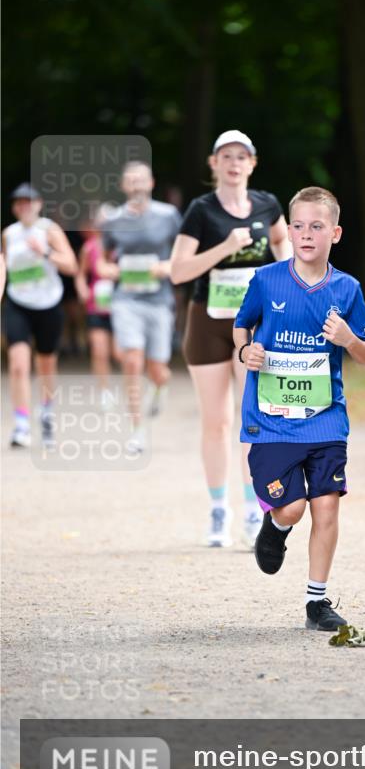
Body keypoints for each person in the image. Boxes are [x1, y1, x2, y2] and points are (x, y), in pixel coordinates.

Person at [233, 186, 365, 631]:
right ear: (289, 231)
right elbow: (242, 326)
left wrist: (348, 340)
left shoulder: (347, 289)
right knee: (292, 509)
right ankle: (274, 529)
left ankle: (317, 602)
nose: (306, 234)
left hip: (326, 419)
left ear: (335, 233)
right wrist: (246, 354)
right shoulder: (267, 280)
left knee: (328, 507)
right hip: (272, 420)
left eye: (317, 226)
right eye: (298, 226)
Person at [171, 130, 291, 548]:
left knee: (251, 420)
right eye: (227, 156)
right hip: (208, 321)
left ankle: (254, 509)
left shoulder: (267, 204)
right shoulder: (201, 211)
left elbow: (282, 244)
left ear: (252, 164)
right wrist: (224, 247)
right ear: (214, 164)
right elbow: (178, 271)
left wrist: (292, 284)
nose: (235, 163)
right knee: (216, 421)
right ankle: (218, 511)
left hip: (253, 326)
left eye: (242, 156)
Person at [99, 162, 181, 452]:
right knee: (131, 361)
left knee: (158, 368)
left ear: (151, 183)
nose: (135, 186)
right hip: (126, 299)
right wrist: (107, 269)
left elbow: (184, 256)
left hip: (159, 301)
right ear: (123, 186)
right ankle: (137, 430)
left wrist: (167, 266)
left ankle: (160, 386)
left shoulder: (168, 215)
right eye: (130, 181)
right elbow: (102, 259)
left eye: (140, 180)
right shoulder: (113, 220)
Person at [2, 183, 78, 448]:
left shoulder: (49, 229)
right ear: (13, 207)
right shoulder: (8, 234)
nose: (23, 206)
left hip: (48, 304)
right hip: (17, 303)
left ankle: (47, 413)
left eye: (28, 201)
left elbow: (71, 265)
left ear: (38, 203)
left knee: (46, 364)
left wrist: (44, 252)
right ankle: (21, 424)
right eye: (18, 202)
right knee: (19, 363)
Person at [74, 205, 118, 407]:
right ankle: (104, 391)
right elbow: (80, 274)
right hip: (96, 307)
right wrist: (82, 289)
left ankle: (131, 386)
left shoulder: (123, 245)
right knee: (99, 351)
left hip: (121, 306)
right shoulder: (89, 247)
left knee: (120, 352)